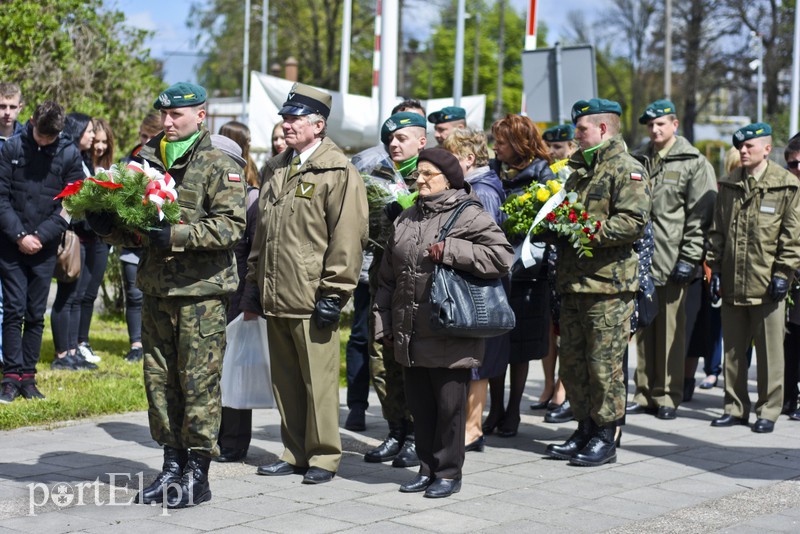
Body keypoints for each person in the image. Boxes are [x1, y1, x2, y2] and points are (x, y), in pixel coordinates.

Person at [88, 82, 246, 507]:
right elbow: (137, 226)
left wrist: (173, 234)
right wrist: (107, 227)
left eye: (178, 115)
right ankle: (171, 464)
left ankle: (199, 471)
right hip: (157, 288)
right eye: (165, 115)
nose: (169, 122)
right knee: (159, 381)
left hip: (201, 293)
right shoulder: (145, 161)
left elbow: (232, 226)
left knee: (197, 383)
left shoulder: (219, 161)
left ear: (201, 114)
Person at [243, 83, 367, 485]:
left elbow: (348, 237)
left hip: (313, 295)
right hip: (275, 291)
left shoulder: (338, 170)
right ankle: (294, 450)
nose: (286, 124)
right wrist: (252, 285)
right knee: (286, 382)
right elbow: (262, 234)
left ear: (319, 125)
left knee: (319, 383)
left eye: (295, 118)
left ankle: (325, 456)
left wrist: (335, 292)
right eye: (286, 117)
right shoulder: (277, 166)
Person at [374, 147, 513, 498]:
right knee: (420, 406)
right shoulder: (406, 217)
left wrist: (452, 250)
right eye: (417, 174)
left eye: (427, 174)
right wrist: (383, 322)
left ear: (448, 179)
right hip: (410, 330)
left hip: (450, 328)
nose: (418, 180)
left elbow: (501, 256)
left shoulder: (469, 214)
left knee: (449, 407)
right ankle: (427, 468)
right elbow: (387, 277)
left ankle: (449, 472)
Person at [545, 98, 650, 466]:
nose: (576, 134)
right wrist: (549, 226)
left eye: (582, 128)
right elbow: (561, 208)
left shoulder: (626, 168)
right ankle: (584, 427)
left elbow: (633, 222)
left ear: (603, 129)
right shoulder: (578, 171)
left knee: (603, 364)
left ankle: (606, 435)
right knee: (572, 363)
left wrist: (583, 231)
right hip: (573, 283)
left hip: (608, 286)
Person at [707, 123, 800, 434]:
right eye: (740, 147)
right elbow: (718, 232)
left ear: (767, 149)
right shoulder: (729, 184)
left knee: (771, 352)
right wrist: (716, 270)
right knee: (733, 351)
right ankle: (734, 408)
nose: (743, 151)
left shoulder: (785, 184)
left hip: (767, 284)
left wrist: (783, 273)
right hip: (734, 279)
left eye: (750, 146)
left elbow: (791, 235)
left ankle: (768, 411)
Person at [628, 100, 716, 419]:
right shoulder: (639, 157)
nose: (654, 130)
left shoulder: (693, 162)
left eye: (660, 124)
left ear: (675, 124)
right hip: (641, 260)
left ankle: (667, 396)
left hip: (673, 259)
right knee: (644, 330)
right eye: (650, 125)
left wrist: (689, 257)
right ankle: (643, 392)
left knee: (670, 334)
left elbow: (700, 216)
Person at [348, 100, 425, 435]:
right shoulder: (375, 174)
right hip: (382, 274)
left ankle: (414, 433)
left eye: (402, 138)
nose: (394, 144)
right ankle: (395, 430)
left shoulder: (435, 175)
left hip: (418, 281)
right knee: (381, 353)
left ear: (422, 141)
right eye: (390, 139)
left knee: (412, 358)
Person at [0, 101, 85, 403]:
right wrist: (20, 235)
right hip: (11, 244)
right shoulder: (11, 148)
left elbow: (72, 204)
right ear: (32, 120)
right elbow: (2, 197)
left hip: (46, 246)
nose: (43, 141)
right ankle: (10, 377)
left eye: (50, 138)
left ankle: (28, 377)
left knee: (36, 314)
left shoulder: (69, 154)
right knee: (13, 310)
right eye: (40, 134)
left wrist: (41, 235)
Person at [485, 114, 555, 438]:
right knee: (496, 341)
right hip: (497, 266)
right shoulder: (494, 169)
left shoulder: (543, 173)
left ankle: (513, 410)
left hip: (530, 269)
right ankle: (495, 407)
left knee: (522, 344)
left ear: (519, 143)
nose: (496, 147)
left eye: (501, 142)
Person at [442, 128, 508, 452]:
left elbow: (489, 244)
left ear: (469, 158)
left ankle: (473, 428)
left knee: (478, 362)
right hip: (467, 281)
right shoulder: (471, 186)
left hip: (477, 285)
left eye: (451, 155)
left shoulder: (484, 191)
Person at [214, 120, 261, 463]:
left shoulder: (252, 200)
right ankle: (210, 434)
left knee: (235, 370)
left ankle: (233, 441)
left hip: (236, 297)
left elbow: (256, 258)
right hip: (210, 295)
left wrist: (249, 303)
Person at [49, 113, 100, 371]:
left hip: (87, 235)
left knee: (77, 296)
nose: (93, 136)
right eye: (89, 131)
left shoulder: (84, 159)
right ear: (77, 130)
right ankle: (62, 354)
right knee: (67, 295)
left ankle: (72, 351)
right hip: (72, 234)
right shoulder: (67, 156)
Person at [540, 123, 579, 424]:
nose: (552, 152)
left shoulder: (571, 174)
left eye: (558, 147)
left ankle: (563, 388)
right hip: (545, 259)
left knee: (563, 328)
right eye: (550, 147)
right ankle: (547, 383)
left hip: (566, 258)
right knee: (548, 327)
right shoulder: (547, 174)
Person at [118, 113, 163, 363]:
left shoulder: (168, 159)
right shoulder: (132, 159)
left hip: (157, 238)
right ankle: (136, 343)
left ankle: (153, 343)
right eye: (143, 135)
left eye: (151, 136)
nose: (145, 141)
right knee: (134, 294)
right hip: (132, 239)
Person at [0, 82, 25, 368]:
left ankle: (8, 357)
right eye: (1, 107)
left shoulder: (26, 140)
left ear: (20, 107)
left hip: (15, 228)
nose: (7, 113)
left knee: (10, 300)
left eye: (11, 107)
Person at [783, 134, 800, 421]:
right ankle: (788, 398)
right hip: (791, 278)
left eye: (798, 163)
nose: (794, 169)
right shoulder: (786, 192)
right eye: (790, 164)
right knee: (790, 340)